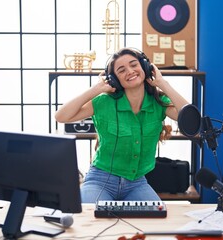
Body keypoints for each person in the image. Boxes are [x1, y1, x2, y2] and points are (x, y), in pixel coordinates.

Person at [55, 47, 189, 203]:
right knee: (87, 217)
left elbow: (190, 119)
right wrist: (96, 89)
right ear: (114, 79)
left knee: (158, 219)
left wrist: (163, 83)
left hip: (137, 182)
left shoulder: (158, 103)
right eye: (121, 70)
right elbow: (61, 116)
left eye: (134, 65)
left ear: (145, 67)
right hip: (100, 180)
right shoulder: (104, 102)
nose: (130, 71)